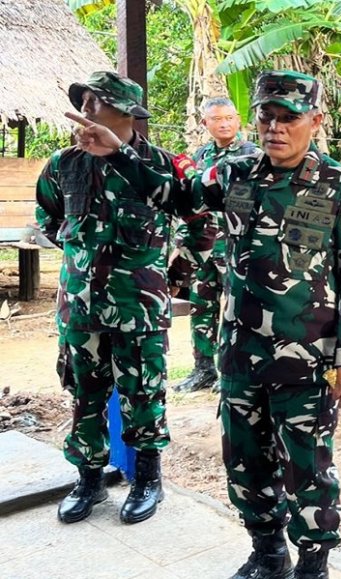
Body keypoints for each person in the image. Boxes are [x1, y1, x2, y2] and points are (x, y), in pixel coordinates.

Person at [66, 70, 341, 579]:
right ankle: (267, 553)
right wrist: (119, 149)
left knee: (308, 468)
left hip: (305, 359)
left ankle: (313, 564)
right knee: (245, 464)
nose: (275, 127)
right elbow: (175, 195)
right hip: (238, 354)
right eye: (266, 116)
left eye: (289, 118)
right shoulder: (236, 172)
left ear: (316, 121)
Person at [36, 71, 214, 525]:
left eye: (97, 100)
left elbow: (201, 223)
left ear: (127, 112)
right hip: (79, 309)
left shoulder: (163, 165)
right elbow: (49, 216)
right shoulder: (64, 164)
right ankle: (89, 481)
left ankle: (148, 480)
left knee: (144, 393)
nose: (87, 106)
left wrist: (173, 274)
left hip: (139, 308)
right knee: (83, 394)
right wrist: (81, 259)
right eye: (86, 99)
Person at [174, 97, 260, 393]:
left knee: (238, 310)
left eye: (229, 118)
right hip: (203, 248)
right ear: (204, 123)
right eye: (216, 119)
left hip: (237, 248)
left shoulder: (253, 155)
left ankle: (235, 372)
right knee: (201, 306)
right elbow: (191, 199)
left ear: (238, 121)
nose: (224, 124)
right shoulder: (201, 155)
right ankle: (203, 369)